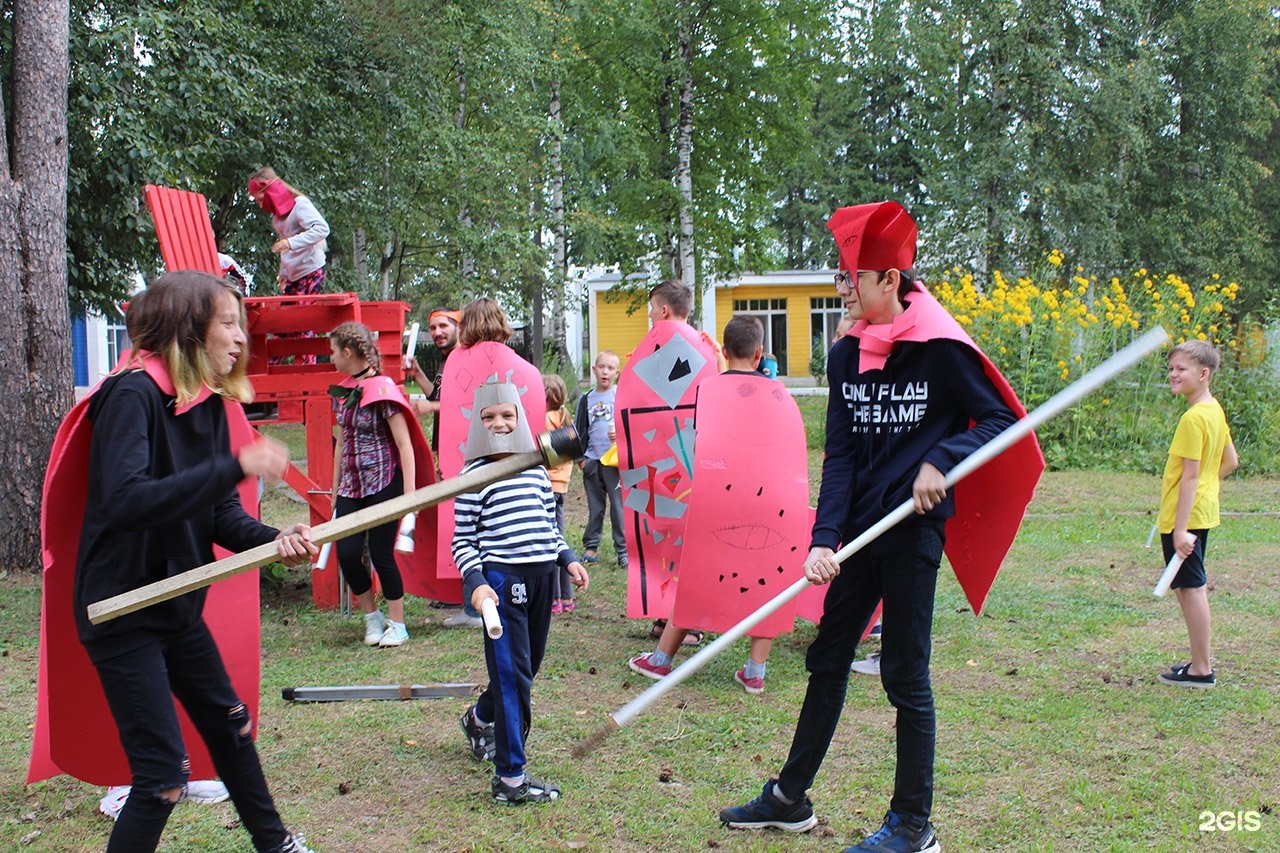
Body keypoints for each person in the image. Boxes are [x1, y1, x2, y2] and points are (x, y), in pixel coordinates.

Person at [720, 201, 1029, 852]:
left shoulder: (940, 349)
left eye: (850, 279)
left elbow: (1002, 420)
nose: (843, 290)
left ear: (890, 280)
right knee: (827, 657)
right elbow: (842, 454)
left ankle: (914, 825)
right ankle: (789, 797)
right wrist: (824, 538)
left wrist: (941, 460)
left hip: (914, 531)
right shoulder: (847, 355)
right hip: (857, 531)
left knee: (903, 674)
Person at [73, 270, 317, 853]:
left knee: (231, 728)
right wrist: (238, 463)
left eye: (241, 326)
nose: (240, 339)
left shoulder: (205, 406)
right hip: (123, 609)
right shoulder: (131, 396)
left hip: (176, 605)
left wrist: (274, 539)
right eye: (228, 323)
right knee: (161, 778)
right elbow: (126, 500)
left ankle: (275, 845)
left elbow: (218, 517)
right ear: (188, 327)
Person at [628, 315, 798, 693]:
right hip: (772, 500)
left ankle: (661, 659)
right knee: (768, 579)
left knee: (698, 574)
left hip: (718, 497)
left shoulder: (707, 390)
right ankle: (756, 670)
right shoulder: (780, 394)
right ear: (759, 353)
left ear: (723, 350)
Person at [453, 382, 589, 804]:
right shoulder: (473, 476)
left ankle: (479, 719)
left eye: (507, 415)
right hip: (501, 582)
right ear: (478, 424)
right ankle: (510, 777)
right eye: (489, 417)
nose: (499, 423)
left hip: (542, 577)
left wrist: (566, 556)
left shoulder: (534, 468)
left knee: (523, 669)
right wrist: (476, 584)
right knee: (513, 677)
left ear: (520, 419)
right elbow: (463, 541)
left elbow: (548, 523)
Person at [328, 321, 419, 647]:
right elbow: (340, 443)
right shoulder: (341, 392)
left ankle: (398, 624)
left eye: (334, 352)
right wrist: (334, 489)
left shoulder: (383, 390)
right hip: (351, 487)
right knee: (348, 553)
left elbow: (404, 444)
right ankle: (372, 617)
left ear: (348, 352)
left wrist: (409, 497)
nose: (332, 359)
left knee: (381, 554)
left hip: (383, 482)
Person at [1156, 340, 1238, 688]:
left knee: (1192, 589)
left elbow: (1191, 475)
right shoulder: (1213, 410)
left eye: (1182, 369)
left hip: (1186, 518)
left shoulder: (1193, 419)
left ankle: (1201, 670)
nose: (1173, 374)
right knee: (1192, 587)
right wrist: (1207, 486)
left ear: (1204, 374)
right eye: (1171, 368)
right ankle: (1198, 663)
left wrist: (1180, 528)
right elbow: (1230, 461)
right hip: (1199, 513)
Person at [574, 351, 626, 568]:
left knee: (618, 508)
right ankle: (591, 548)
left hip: (614, 462)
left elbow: (629, 424)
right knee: (595, 507)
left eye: (611, 368)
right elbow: (578, 430)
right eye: (601, 367)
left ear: (617, 373)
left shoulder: (621, 396)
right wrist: (581, 458)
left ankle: (623, 551)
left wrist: (620, 434)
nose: (605, 372)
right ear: (594, 369)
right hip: (593, 460)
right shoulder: (587, 398)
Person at [247, 167, 330, 297]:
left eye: (261, 200)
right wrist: (283, 273)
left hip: (311, 270)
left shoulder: (300, 205)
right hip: (293, 276)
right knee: (285, 313)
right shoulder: (276, 219)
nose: (260, 206)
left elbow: (322, 229)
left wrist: (289, 243)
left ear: (270, 193)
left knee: (298, 314)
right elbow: (285, 249)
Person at [543, 374, 577, 614]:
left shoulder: (545, 420)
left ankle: (554, 598)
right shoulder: (565, 418)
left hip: (548, 488)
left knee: (549, 541)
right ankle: (567, 597)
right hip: (562, 488)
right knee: (560, 539)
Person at [407, 307, 462, 448]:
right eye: (432, 328)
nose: (437, 332)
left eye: (443, 326)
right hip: (444, 444)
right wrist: (417, 374)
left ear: (458, 328)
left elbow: (468, 403)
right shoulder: (445, 359)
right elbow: (437, 397)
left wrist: (430, 406)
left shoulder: (465, 359)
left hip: (462, 445)